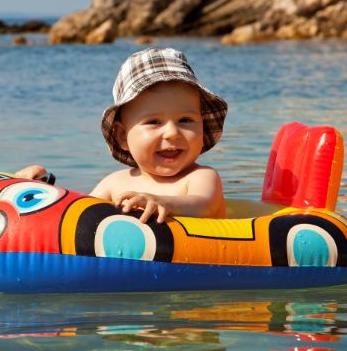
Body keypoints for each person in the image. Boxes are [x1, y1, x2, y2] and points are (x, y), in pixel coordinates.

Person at [16, 47, 228, 223]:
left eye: (186, 120)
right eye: (154, 122)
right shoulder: (115, 183)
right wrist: (40, 188)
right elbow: (77, 217)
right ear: (122, 136)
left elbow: (204, 205)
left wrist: (162, 202)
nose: (172, 133)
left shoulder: (201, 177)